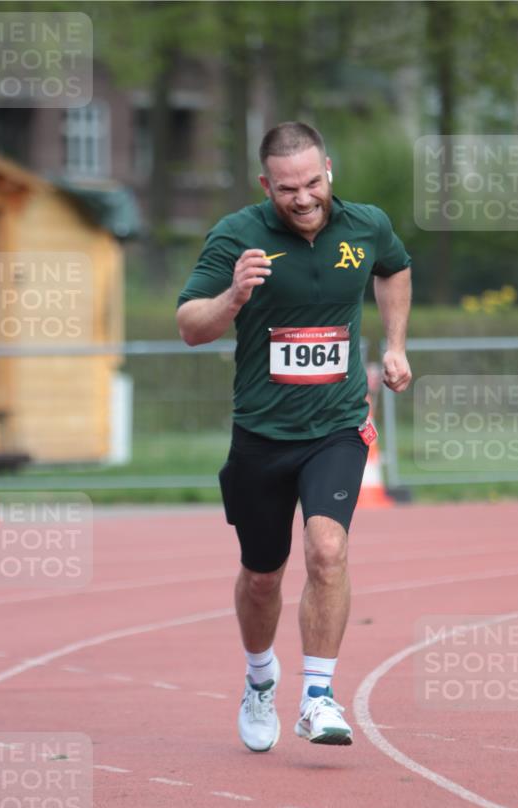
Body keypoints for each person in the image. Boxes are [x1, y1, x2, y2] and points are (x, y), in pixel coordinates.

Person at [177, 122, 412, 752]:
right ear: (266, 185)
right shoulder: (237, 235)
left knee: (327, 550)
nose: (303, 197)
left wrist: (394, 346)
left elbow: (393, 269)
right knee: (262, 575)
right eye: (287, 189)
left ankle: (317, 697)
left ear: (328, 169)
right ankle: (260, 679)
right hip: (261, 433)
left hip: (337, 425)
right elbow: (189, 325)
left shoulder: (366, 225)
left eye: (312, 182)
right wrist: (233, 296)